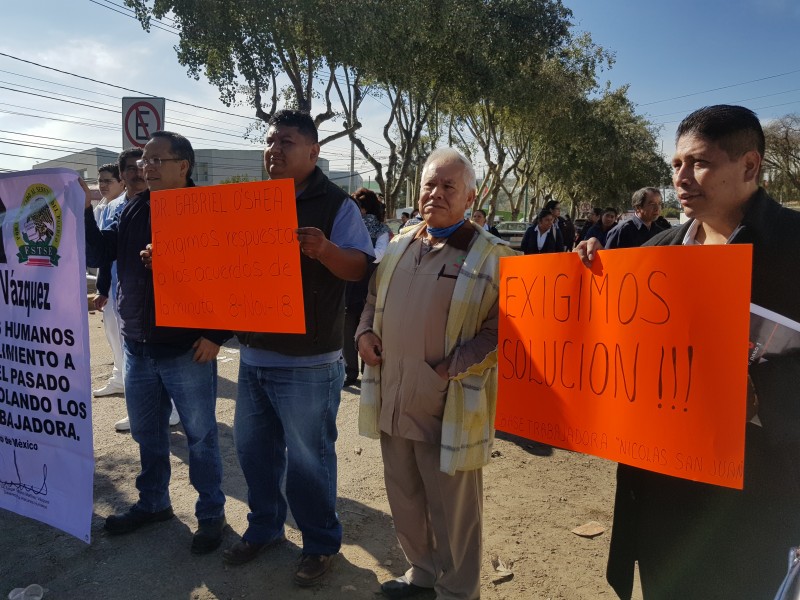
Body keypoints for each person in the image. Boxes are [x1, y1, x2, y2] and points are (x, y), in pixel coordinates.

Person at [577, 105, 800, 599]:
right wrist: (591, 275)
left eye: (699, 163)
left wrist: (761, 396)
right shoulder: (658, 250)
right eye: (676, 164)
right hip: (661, 493)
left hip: (753, 495)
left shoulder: (793, 248)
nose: (681, 177)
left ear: (749, 166)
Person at [357, 148, 515, 600]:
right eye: (430, 184)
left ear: (470, 196)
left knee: (455, 509)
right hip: (395, 394)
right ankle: (422, 573)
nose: (436, 193)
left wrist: (452, 367)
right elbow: (372, 298)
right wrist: (364, 333)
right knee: (404, 495)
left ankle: (457, 591)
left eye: (449, 186)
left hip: (447, 401)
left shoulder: (492, 256)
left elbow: (503, 327)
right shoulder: (401, 242)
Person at [224, 110, 373, 587]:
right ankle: (264, 528)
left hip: (309, 363)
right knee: (254, 453)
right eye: (270, 140)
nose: (274, 149)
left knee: (310, 460)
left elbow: (359, 268)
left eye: (286, 141)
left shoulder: (336, 205)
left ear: (313, 152)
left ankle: (320, 544)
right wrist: (169, 257)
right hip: (254, 356)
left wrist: (326, 251)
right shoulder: (250, 202)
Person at [84, 131, 229, 554]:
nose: (143, 168)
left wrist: (216, 335)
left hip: (187, 347)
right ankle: (154, 503)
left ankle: (211, 515)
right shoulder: (135, 207)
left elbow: (233, 274)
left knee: (201, 437)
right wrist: (80, 205)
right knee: (149, 434)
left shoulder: (208, 210)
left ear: (183, 165)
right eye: (143, 161)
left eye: (155, 160)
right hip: (138, 343)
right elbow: (103, 252)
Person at [94, 150, 180, 432]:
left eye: (140, 166)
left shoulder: (166, 203)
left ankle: (173, 409)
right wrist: (103, 286)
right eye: (128, 168)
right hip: (126, 293)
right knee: (131, 355)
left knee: (164, 359)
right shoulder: (116, 208)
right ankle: (139, 408)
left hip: (163, 298)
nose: (136, 172)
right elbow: (106, 251)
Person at [343, 187, 391, 387]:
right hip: (348, 286)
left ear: (363, 209)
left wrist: (355, 252)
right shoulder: (347, 228)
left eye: (357, 206)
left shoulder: (382, 231)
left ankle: (367, 372)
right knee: (347, 331)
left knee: (368, 330)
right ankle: (350, 372)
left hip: (370, 287)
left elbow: (380, 254)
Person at [91, 163, 126, 397]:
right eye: (100, 181)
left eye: (108, 181)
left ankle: (167, 403)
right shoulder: (100, 209)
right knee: (113, 334)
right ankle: (119, 378)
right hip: (110, 283)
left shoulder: (127, 206)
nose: (103, 185)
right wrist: (102, 287)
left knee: (132, 341)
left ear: (121, 182)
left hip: (129, 284)